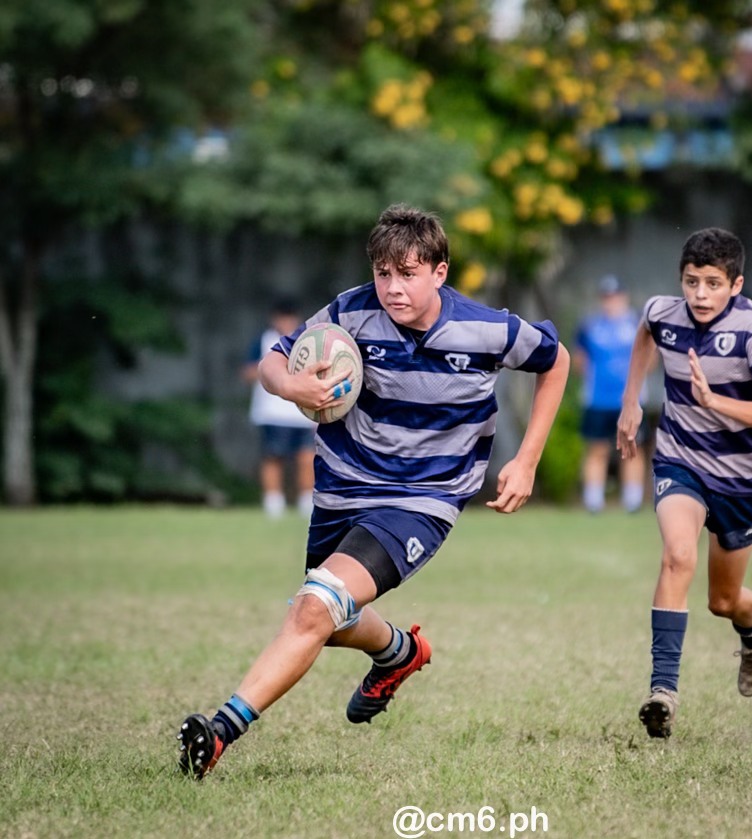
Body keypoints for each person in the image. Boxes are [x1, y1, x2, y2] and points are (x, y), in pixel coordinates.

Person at [177, 203, 570, 778]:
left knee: (315, 608)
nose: (392, 287)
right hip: (342, 488)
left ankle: (219, 733)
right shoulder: (350, 313)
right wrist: (290, 386)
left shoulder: (487, 328)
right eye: (383, 273)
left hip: (421, 499)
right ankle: (398, 652)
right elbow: (274, 360)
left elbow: (554, 361)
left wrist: (527, 459)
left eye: (407, 273)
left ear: (440, 272)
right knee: (325, 620)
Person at [616, 227, 752, 739]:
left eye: (713, 284)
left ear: (736, 284)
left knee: (723, 601)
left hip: (738, 478)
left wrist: (715, 402)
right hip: (680, 460)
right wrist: (631, 400)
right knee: (677, 556)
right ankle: (662, 692)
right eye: (692, 282)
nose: (700, 295)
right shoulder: (664, 312)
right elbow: (646, 330)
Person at [574, 275, 651, 513]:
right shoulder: (590, 326)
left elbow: (650, 356)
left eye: (615, 297)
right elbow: (579, 359)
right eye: (606, 297)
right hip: (597, 399)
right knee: (597, 448)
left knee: (633, 449)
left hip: (631, 400)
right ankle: (593, 500)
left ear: (624, 297)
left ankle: (632, 500)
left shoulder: (637, 324)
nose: (611, 302)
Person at [242, 297, 317, 519]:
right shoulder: (265, 341)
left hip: (302, 413)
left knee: (307, 458)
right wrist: (274, 372)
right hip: (272, 413)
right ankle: (273, 502)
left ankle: (307, 503)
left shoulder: (308, 341)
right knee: (274, 458)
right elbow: (247, 372)